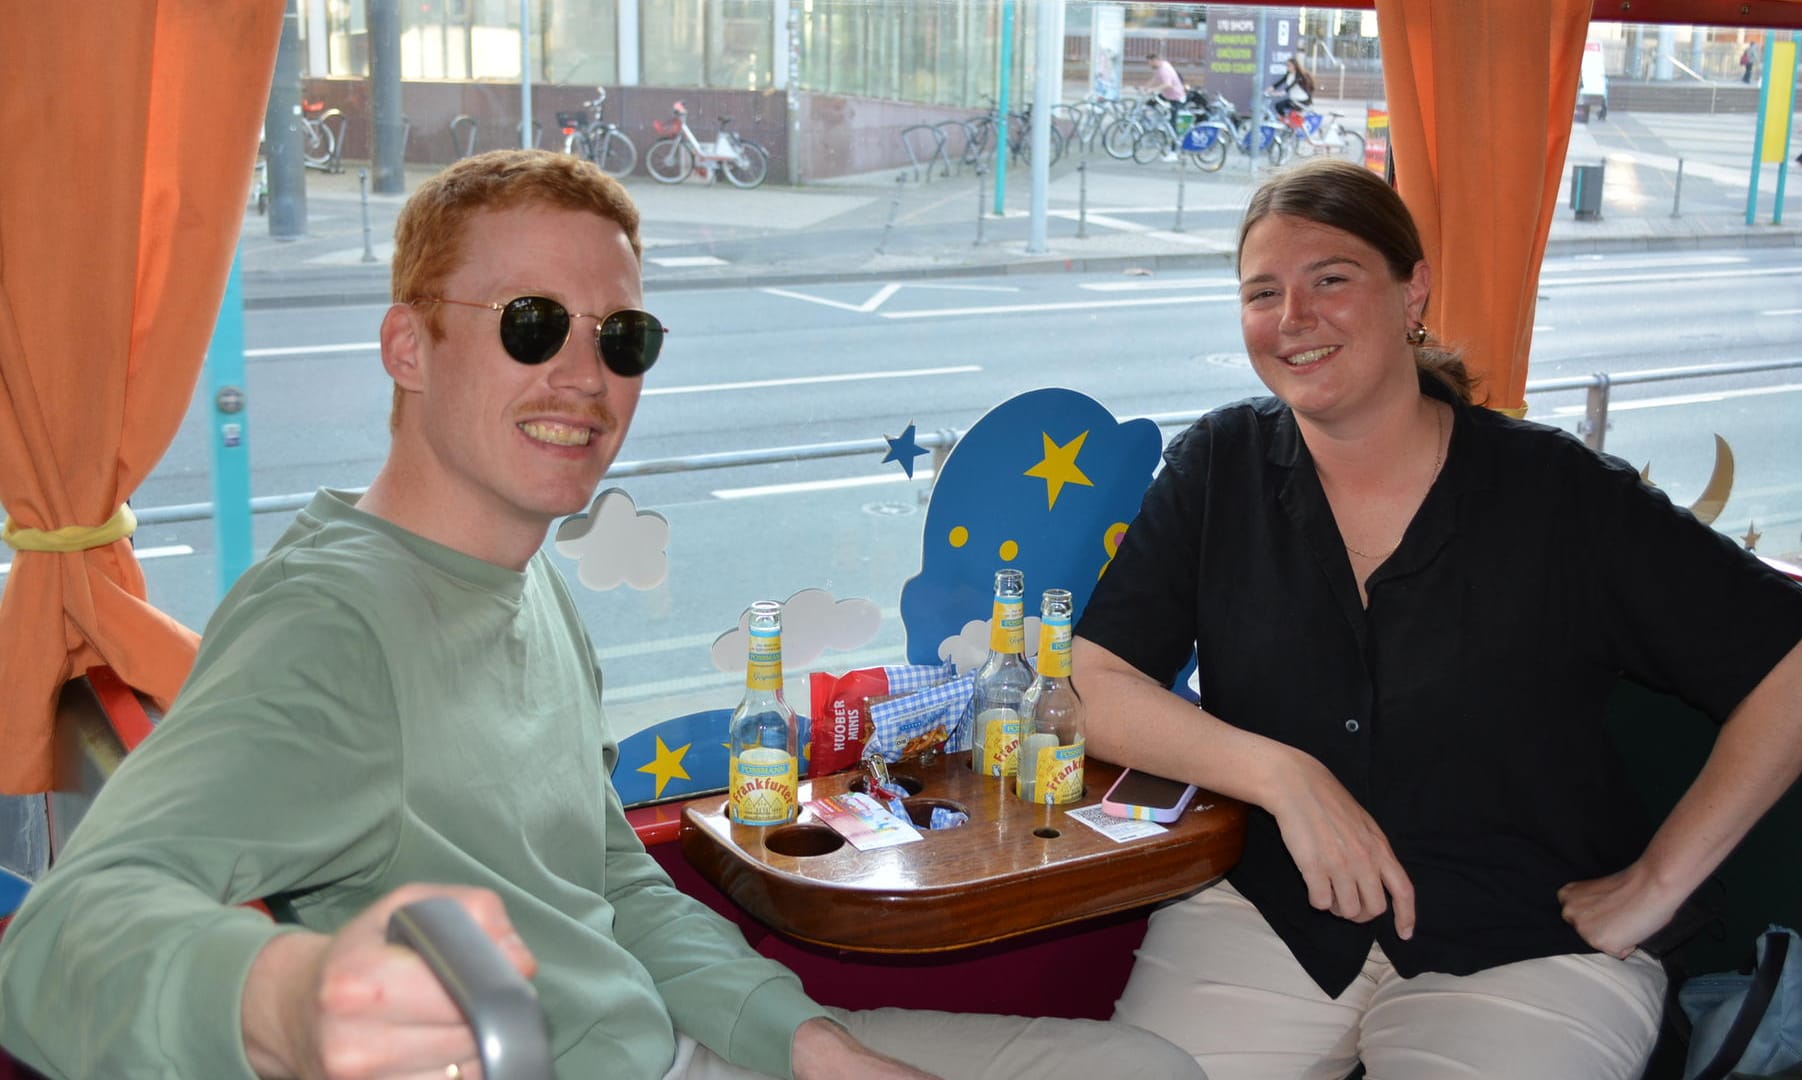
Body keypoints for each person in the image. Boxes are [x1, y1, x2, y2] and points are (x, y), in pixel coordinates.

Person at [0, 150, 1204, 1080]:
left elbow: (614, 883)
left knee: (1145, 1066)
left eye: (621, 339)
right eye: (532, 325)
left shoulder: (520, 577)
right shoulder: (333, 627)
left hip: (685, 1041)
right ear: (406, 347)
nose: (586, 377)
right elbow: (57, 946)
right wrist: (286, 1002)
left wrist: (801, 1041)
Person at [1071, 158, 1802, 1080]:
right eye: (1263, 292)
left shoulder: (1559, 496)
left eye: (1331, 279)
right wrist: (1286, 778)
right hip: (1277, 914)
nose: (1293, 317)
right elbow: (1095, 682)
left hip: (1525, 937)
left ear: (1414, 292)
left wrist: (1655, 886)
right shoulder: (1221, 465)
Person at [1265, 57, 1316, 122]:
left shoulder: (1299, 76)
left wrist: (1275, 94)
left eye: (1289, 65)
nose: (1287, 67)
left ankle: (1287, 123)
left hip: (1301, 100)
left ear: (1295, 66)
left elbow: (1288, 88)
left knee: (1280, 106)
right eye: (1287, 65)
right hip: (1294, 99)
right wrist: (1267, 90)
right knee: (1278, 106)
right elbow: (1278, 84)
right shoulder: (1289, 74)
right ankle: (1287, 123)